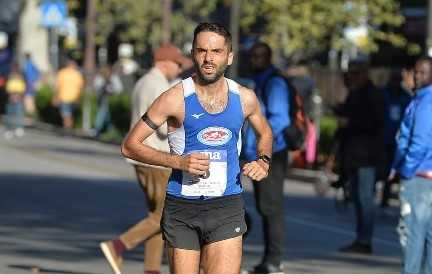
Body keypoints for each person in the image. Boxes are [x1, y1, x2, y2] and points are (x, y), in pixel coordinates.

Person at [121, 22, 273, 274]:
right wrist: (178, 162)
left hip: (227, 206)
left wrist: (263, 160)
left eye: (216, 52)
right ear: (193, 53)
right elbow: (129, 146)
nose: (208, 58)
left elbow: (265, 131)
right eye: (201, 51)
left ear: (229, 56)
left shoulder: (244, 97)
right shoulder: (174, 98)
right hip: (183, 208)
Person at [100, 43, 192, 274]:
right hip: (156, 158)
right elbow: (161, 128)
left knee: (157, 217)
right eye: (177, 63)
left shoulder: (144, 82)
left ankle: (151, 269)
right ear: (164, 62)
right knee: (165, 215)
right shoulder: (157, 85)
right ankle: (117, 246)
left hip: (143, 159)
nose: (179, 68)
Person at [243, 42, 291, 274]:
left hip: (272, 154)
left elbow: (281, 119)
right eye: (252, 56)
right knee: (265, 208)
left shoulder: (275, 83)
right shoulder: (260, 81)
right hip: (256, 153)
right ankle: (268, 259)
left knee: (271, 208)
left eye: (259, 56)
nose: (254, 60)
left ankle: (274, 260)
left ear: (269, 58)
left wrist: (262, 145)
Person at [335, 59, 385, 254]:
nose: (352, 76)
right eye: (350, 73)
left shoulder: (373, 95)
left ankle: (365, 240)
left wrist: (350, 122)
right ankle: (360, 237)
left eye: (356, 73)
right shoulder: (354, 93)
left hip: (367, 155)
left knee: (365, 198)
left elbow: (375, 123)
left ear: (365, 73)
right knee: (356, 197)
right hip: (354, 154)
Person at [390, 56, 432, 274]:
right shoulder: (420, 99)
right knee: (426, 236)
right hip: (424, 175)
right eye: (416, 72)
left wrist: (405, 170)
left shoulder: (426, 102)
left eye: (422, 72)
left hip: (420, 176)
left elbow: (419, 142)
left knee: (412, 235)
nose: (417, 76)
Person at [380, 68, 413, 209]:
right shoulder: (382, 94)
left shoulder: (405, 97)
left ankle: (393, 196)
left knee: (396, 169)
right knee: (384, 168)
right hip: (384, 137)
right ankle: (384, 195)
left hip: (399, 140)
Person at [52, 59, 84, 129]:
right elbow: (81, 88)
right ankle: (69, 128)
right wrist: (79, 98)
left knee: (66, 115)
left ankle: (67, 129)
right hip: (74, 98)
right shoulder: (77, 74)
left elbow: (57, 86)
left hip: (64, 97)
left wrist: (55, 97)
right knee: (70, 114)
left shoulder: (62, 73)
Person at [92, 65, 123, 136]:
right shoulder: (100, 77)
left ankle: (104, 129)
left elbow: (119, 89)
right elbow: (97, 86)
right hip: (103, 98)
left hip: (111, 98)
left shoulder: (113, 77)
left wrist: (111, 90)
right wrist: (103, 88)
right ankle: (100, 129)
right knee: (103, 112)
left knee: (105, 113)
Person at [4, 63, 26, 139]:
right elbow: (7, 89)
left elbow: (22, 89)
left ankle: (18, 128)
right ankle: (9, 129)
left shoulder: (20, 78)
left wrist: (18, 96)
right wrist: (11, 95)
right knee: (10, 115)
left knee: (18, 114)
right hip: (10, 98)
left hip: (18, 98)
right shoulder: (9, 78)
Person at [22, 52, 40, 117]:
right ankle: (32, 118)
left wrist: (32, 83)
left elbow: (28, 76)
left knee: (29, 104)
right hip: (30, 86)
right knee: (31, 103)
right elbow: (38, 73)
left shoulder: (28, 64)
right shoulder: (31, 64)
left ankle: (31, 119)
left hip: (29, 87)